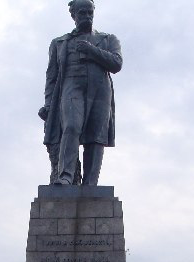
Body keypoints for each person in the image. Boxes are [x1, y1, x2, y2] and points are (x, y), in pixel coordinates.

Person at [40, 0, 122, 186]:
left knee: (96, 136)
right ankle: (66, 176)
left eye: (89, 12)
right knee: (71, 127)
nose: (87, 16)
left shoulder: (108, 39)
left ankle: (90, 184)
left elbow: (116, 63)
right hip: (71, 86)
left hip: (100, 90)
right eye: (82, 13)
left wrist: (91, 50)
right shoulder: (59, 43)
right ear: (73, 15)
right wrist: (47, 104)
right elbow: (51, 77)